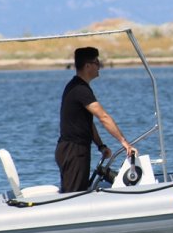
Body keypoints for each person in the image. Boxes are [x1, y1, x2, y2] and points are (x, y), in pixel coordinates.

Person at [56, 47, 135, 192]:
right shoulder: (80, 90)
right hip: (73, 151)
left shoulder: (78, 86)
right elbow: (103, 117)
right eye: (96, 62)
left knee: (78, 191)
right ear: (87, 66)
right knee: (73, 195)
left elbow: (87, 123)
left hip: (74, 150)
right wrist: (124, 143)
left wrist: (101, 146)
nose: (100, 66)